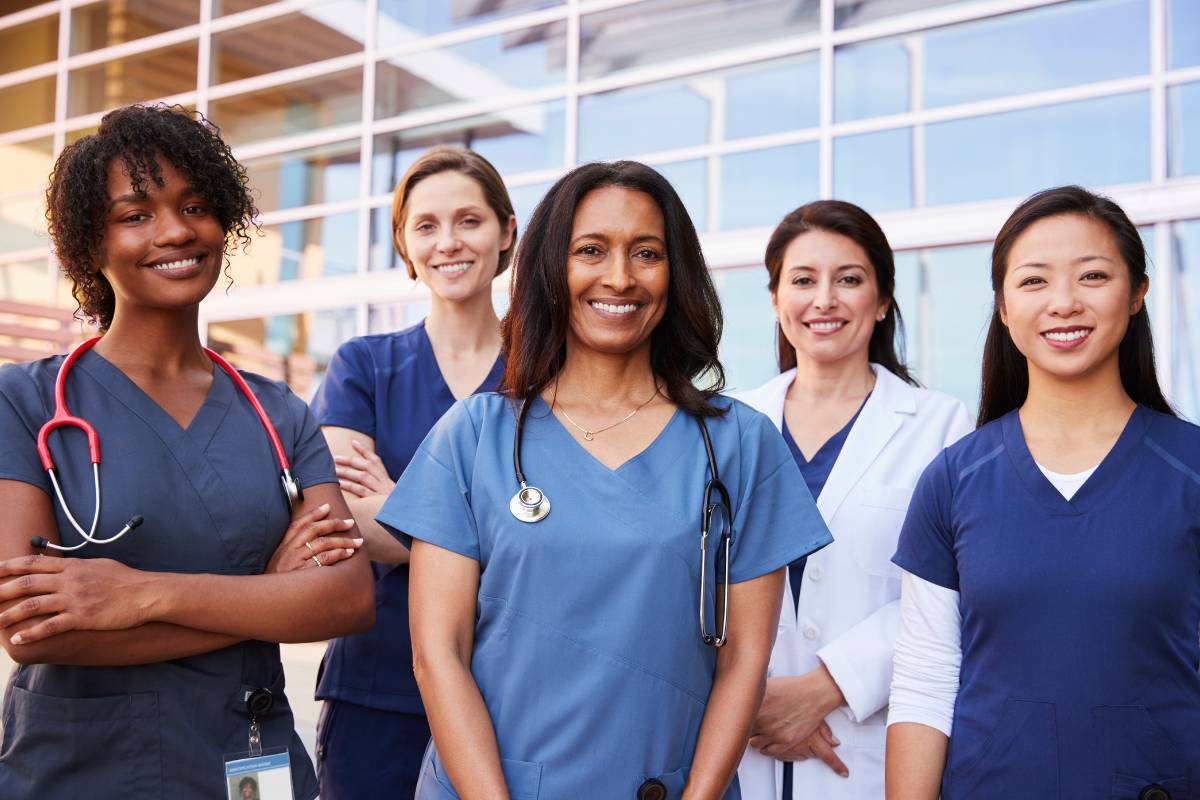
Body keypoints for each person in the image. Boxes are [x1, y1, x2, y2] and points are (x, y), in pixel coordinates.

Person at [377, 160, 832, 798]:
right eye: (590, 250)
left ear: (675, 272)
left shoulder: (738, 442)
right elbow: (438, 654)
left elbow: (744, 661)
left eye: (646, 253)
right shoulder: (475, 436)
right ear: (550, 270)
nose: (619, 277)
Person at [0, 104, 374, 798]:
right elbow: (33, 629)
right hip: (79, 771)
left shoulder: (279, 412)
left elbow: (348, 600)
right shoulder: (23, 400)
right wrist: (268, 595)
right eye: (135, 214)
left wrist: (134, 595)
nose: (174, 231)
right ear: (90, 243)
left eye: (195, 205)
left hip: (248, 755)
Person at [886, 186, 1200, 799]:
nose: (1063, 303)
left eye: (1092, 276)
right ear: (1002, 307)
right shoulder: (953, 480)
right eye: (1033, 282)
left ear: (1137, 293)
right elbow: (925, 681)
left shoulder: (1190, 468)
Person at [735, 201, 970, 799]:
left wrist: (825, 686)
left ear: (883, 300)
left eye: (849, 279)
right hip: (739, 747)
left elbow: (953, 592)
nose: (825, 300)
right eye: (804, 280)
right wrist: (754, 703)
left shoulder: (941, 426)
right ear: (774, 298)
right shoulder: (725, 425)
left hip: (865, 750)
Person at [310, 145, 516, 798]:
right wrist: (488, 526)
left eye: (469, 220)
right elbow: (337, 523)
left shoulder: (548, 378)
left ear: (506, 232)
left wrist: (401, 505)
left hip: (515, 692)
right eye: (425, 225)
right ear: (403, 242)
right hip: (378, 691)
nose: (448, 242)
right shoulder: (362, 367)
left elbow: (566, 537)